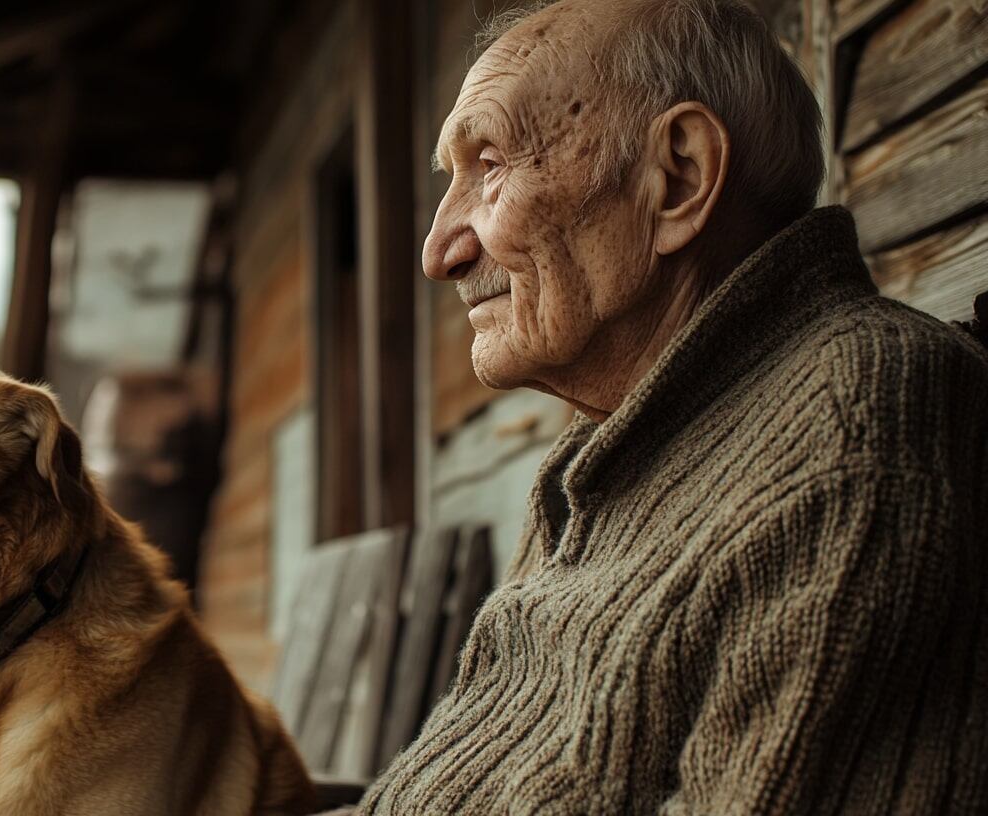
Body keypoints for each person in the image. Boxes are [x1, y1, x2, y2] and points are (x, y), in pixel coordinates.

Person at [355, 0, 988, 812]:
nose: (439, 252)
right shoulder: (614, 453)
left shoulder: (850, 435)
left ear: (679, 176)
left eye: (491, 165)